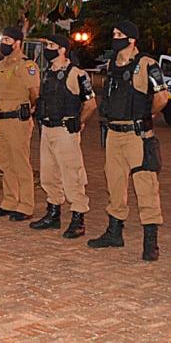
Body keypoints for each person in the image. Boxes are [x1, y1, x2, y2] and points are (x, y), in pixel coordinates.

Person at [88, 21, 168, 261]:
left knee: (146, 186)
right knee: (114, 183)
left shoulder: (147, 64)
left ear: (132, 39)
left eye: (119, 34)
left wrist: (147, 117)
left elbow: (162, 97)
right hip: (114, 133)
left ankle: (150, 240)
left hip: (137, 135)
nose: (115, 37)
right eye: (113, 33)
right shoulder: (112, 64)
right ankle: (115, 232)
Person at [29, 34, 97, 238]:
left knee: (72, 174)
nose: (47, 49)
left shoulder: (77, 74)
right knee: (49, 174)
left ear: (62, 49)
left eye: (51, 45)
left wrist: (80, 121)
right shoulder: (47, 73)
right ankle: (53, 212)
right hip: (48, 129)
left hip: (66, 131)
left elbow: (91, 103)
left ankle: (78, 217)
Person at [0, 27, 39, 221]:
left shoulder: (27, 65)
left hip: (18, 120)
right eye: (3, 40)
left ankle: (25, 205)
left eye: (8, 40)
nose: (3, 44)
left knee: (20, 163)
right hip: (1, 118)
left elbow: (34, 92)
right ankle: (9, 201)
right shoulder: (1, 64)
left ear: (17, 42)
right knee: (5, 163)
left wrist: (30, 109)